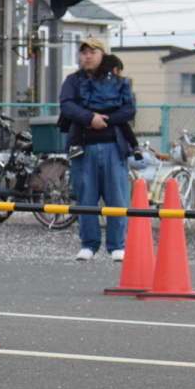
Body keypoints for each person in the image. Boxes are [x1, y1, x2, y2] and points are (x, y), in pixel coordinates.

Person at [59, 37, 134, 261]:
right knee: (86, 197)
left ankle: (117, 245)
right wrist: (89, 118)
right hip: (83, 147)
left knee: (117, 198)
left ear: (103, 54)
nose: (88, 56)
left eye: (93, 52)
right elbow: (66, 105)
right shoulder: (73, 80)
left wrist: (105, 120)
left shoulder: (117, 80)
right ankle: (89, 244)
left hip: (114, 146)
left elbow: (130, 109)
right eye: (84, 53)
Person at [65, 53, 140, 161]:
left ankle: (76, 146)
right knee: (125, 125)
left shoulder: (93, 80)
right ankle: (135, 146)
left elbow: (84, 90)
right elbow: (128, 101)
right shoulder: (121, 81)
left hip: (95, 109)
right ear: (115, 70)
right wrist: (117, 103)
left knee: (79, 123)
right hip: (113, 108)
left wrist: (87, 104)